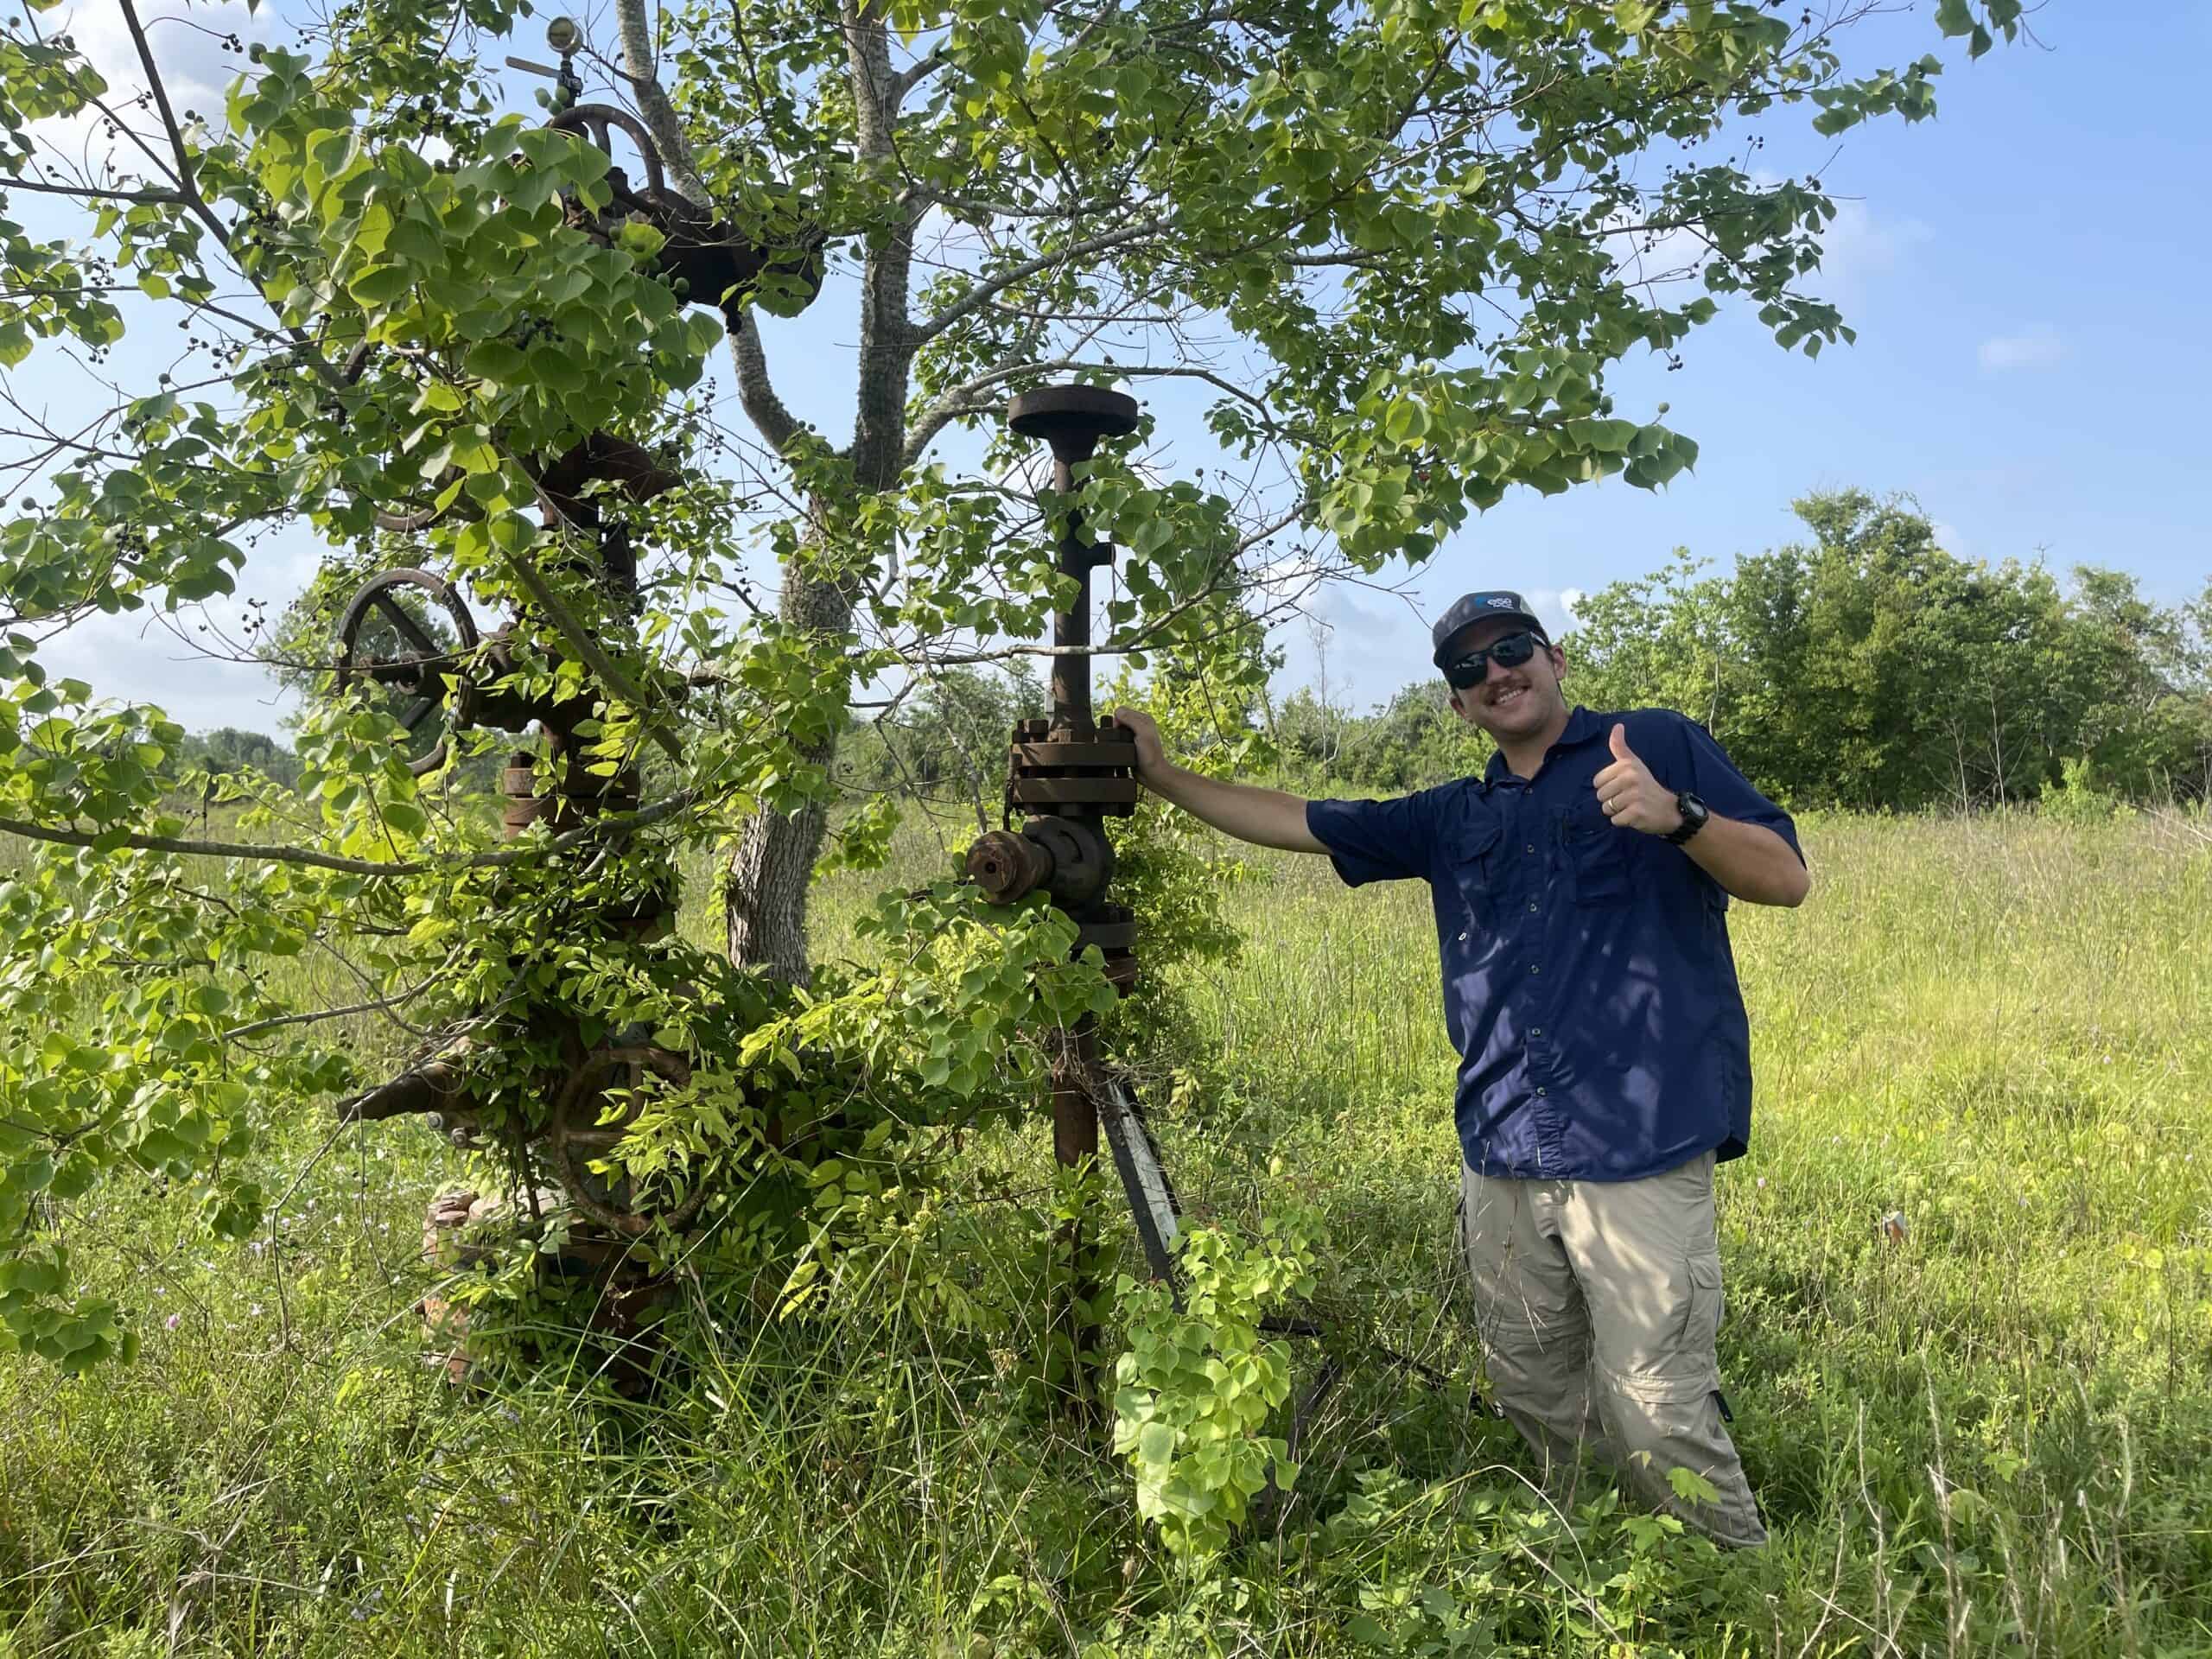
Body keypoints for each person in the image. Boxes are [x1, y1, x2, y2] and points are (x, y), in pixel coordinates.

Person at [1113, 589, 1807, 1548]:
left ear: (1555, 658)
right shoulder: (1452, 817)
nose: (1496, 672)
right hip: (1504, 1149)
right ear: (1455, 702)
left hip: (1640, 1147)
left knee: (1656, 1403)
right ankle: (1612, 1563)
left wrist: (1675, 816)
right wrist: (1161, 777)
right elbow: (1299, 819)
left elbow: (1785, 878)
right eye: (1468, 667)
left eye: (1512, 648)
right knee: (1533, 1383)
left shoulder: (1651, 745)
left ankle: (1741, 1582)